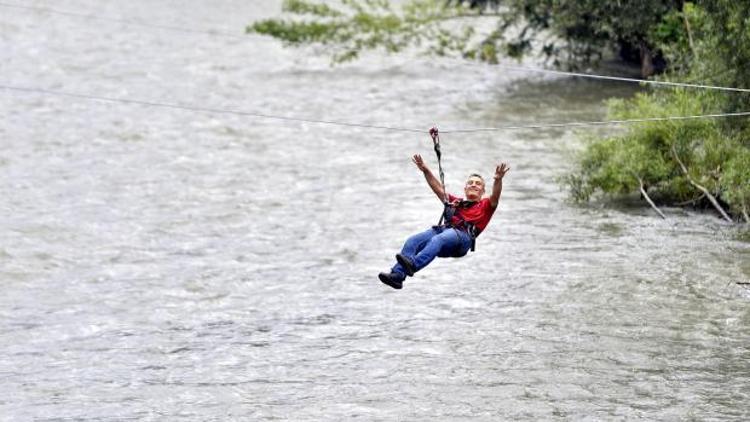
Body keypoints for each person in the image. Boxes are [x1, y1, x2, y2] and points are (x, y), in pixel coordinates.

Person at [379, 154, 510, 289]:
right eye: (470, 183)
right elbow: (438, 188)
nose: (474, 185)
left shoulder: (487, 205)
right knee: (413, 241)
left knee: (438, 239)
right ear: (465, 189)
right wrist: (425, 170)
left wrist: (498, 180)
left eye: (478, 184)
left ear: (483, 191)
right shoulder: (455, 202)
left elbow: (495, 195)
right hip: (445, 232)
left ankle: (413, 265)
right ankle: (397, 276)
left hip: (463, 237)